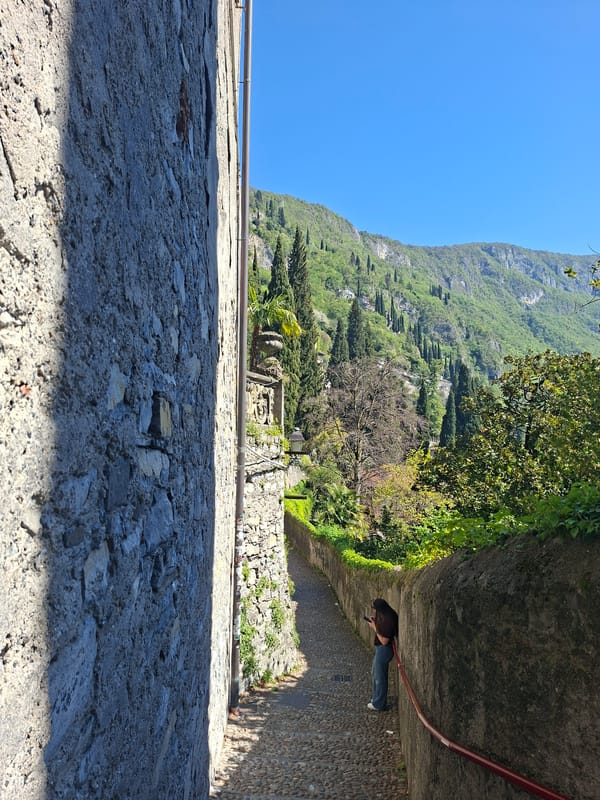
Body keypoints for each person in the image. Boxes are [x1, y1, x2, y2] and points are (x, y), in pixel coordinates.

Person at [366, 598, 398, 711]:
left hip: (384, 650)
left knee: (380, 677)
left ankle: (379, 704)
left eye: (375, 609)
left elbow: (384, 641)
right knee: (375, 673)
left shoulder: (389, 619)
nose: (375, 611)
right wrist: (375, 622)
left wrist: (374, 627)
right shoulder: (385, 614)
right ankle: (376, 699)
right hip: (380, 649)